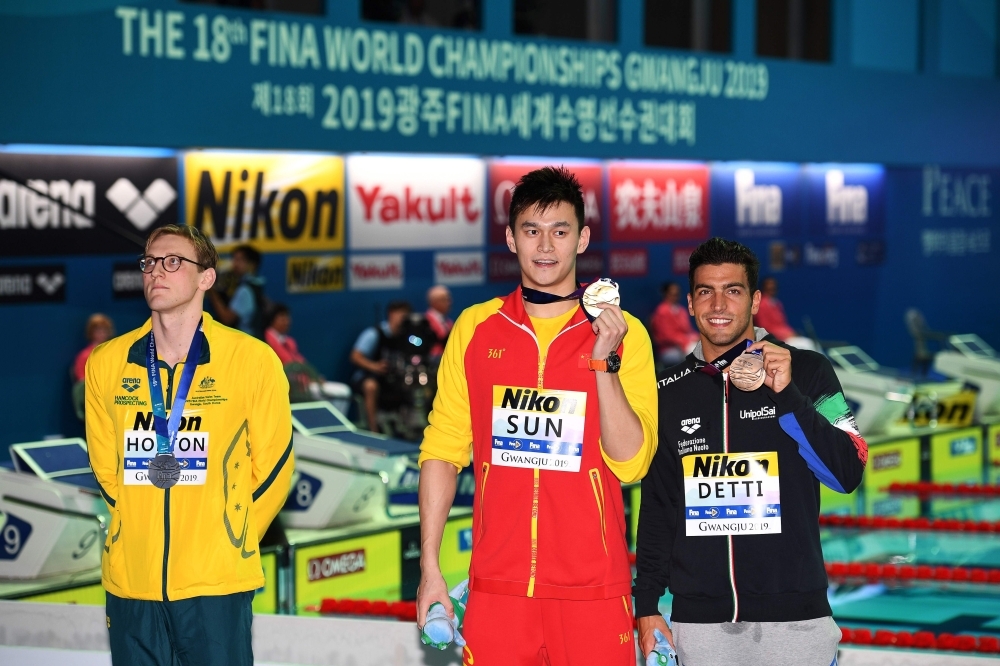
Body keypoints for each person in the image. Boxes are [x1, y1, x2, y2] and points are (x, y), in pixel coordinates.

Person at [416, 167, 658, 666]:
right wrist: (430, 568)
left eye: (560, 230)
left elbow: (631, 463)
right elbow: (442, 451)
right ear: (510, 238)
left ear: (582, 238)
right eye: (531, 230)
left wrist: (603, 362)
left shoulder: (624, 332)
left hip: (593, 589)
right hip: (497, 590)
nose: (545, 246)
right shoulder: (476, 328)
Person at [633, 238, 868, 666]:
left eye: (734, 290)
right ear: (689, 302)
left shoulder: (809, 370)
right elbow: (659, 506)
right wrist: (647, 604)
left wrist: (788, 395)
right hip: (701, 626)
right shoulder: (667, 391)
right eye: (706, 291)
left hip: (797, 622)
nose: (718, 303)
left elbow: (847, 470)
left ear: (756, 300)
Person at [85, 224, 293, 666]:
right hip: (132, 581)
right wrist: (133, 531)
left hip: (215, 585)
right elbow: (107, 467)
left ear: (207, 277)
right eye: (149, 262)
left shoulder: (252, 360)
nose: (156, 272)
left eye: (173, 262)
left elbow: (274, 466)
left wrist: (229, 537)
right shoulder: (107, 363)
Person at [265, 303, 350, 408]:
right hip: (290, 387)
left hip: (305, 384)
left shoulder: (289, 341)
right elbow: (288, 363)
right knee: (342, 392)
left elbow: (302, 363)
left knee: (344, 391)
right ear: (272, 320)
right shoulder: (268, 339)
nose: (287, 321)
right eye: (282, 318)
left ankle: (334, 424)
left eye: (288, 317)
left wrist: (315, 377)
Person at [350, 300, 412, 434]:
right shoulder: (374, 333)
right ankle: (374, 431)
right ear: (391, 314)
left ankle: (409, 428)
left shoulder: (407, 337)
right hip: (370, 376)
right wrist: (374, 366)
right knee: (371, 386)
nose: (403, 318)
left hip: (395, 376)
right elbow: (355, 356)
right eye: (400, 314)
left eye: (406, 315)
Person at [208, 244, 268, 338]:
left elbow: (226, 318)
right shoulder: (256, 285)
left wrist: (211, 290)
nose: (235, 263)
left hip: (246, 342)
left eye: (240, 260)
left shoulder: (245, 290)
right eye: (234, 259)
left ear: (252, 265)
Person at [754, 276, 816, 350]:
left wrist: (792, 333)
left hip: (785, 337)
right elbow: (765, 328)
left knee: (811, 343)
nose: (772, 289)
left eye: (773, 287)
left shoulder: (777, 303)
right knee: (807, 345)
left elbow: (782, 324)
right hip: (774, 340)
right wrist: (786, 335)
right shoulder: (762, 305)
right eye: (769, 287)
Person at [72, 314, 115, 420]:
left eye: (104, 330)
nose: (102, 333)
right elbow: (82, 384)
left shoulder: (115, 353)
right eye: (98, 330)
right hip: (95, 401)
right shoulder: (84, 356)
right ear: (91, 332)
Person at [649, 281, 699, 368]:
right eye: (672, 294)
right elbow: (665, 336)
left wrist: (697, 337)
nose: (675, 296)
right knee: (694, 352)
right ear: (666, 294)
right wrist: (685, 340)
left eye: (677, 294)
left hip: (685, 345)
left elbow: (689, 330)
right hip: (668, 349)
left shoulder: (682, 310)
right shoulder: (662, 311)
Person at [425, 285, 454, 360]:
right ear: (434, 302)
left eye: (449, 300)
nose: (449, 303)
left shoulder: (449, 323)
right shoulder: (426, 322)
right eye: (445, 300)